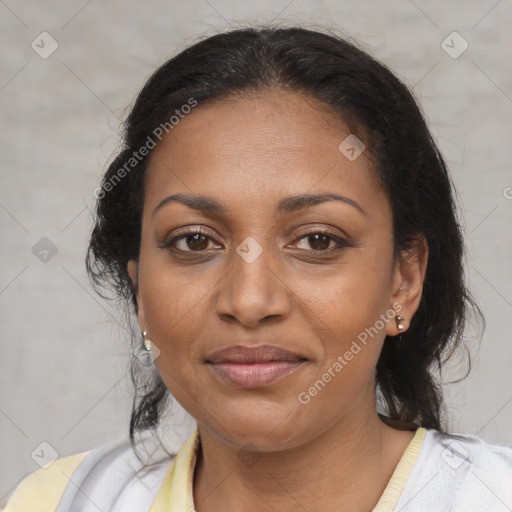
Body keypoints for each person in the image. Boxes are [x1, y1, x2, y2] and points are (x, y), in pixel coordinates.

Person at [3, 24, 512, 512]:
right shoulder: (61, 501)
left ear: (404, 281)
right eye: (195, 240)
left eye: (317, 240)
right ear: (139, 288)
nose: (248, 301)